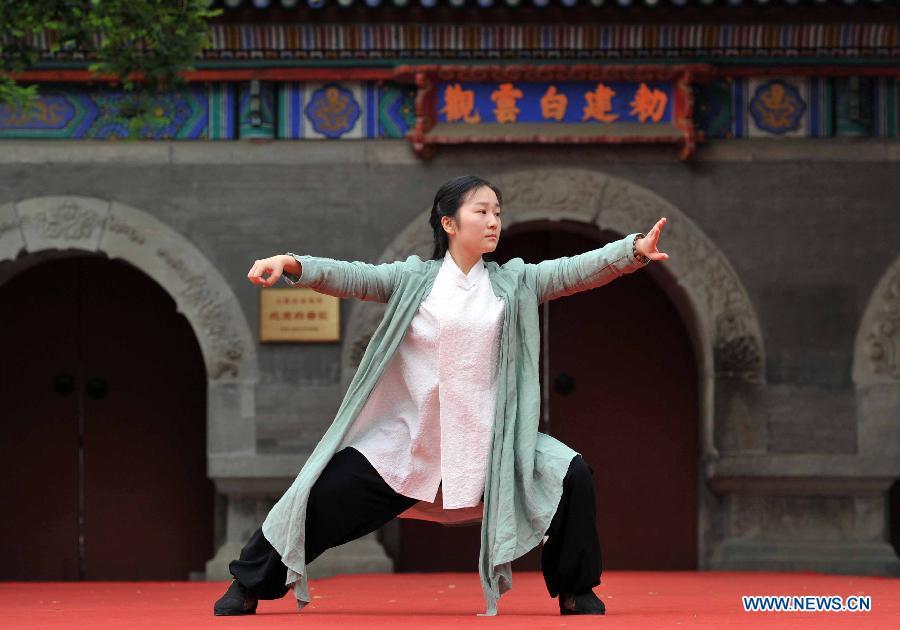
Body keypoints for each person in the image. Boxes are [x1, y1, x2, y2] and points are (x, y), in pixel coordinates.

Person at [214, 175, 669, 617]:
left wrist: (632, 252)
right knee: (316, 494)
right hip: (408, 442)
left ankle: (576, 590)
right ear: (448, 223)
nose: (494, 221)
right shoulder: (412, 280)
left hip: (490, 443)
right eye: (482, 211)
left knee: (572, 474)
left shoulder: (515, 283)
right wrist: (293, 264)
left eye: (497, 213)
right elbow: (352, 277)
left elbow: (575, 271)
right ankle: (248, 583)